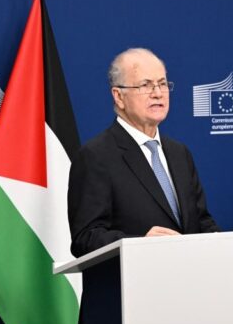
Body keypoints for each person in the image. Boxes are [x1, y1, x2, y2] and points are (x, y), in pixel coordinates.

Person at [68, 48, 219, 257]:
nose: (157, 93)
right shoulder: (96, 156)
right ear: (119, 96)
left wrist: (221, 246)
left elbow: (201, 221)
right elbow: (85, 238)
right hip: (126, 285)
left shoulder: (179, 153)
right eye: (145, 85)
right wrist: (139, 244)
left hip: (183, 283)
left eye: (163, 83)